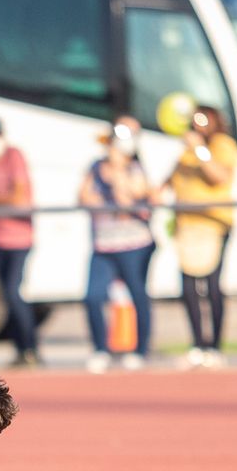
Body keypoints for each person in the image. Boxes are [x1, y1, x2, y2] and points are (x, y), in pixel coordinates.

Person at [162, 104, 237, 368]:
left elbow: (219, 176)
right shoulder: (186, 152)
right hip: (187, 225)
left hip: (213, 223)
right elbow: (170, 182)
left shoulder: (221, 146)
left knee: (212, 285)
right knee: (188, 287)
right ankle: (198, 344)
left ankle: (214, 346)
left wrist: (200, 149)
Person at [80, 115, 155, 373]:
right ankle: (101, 348)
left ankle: (140, 349)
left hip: (134, 244)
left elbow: (127, 201)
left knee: (138, 295)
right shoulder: (96, 167)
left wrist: (118, 171)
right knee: (92, 296)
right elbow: (84, 197)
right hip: (103, 245)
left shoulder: (135, 168)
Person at [0, 118, 40, 366]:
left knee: (14, 292)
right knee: (3, 297)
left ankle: (31, 347)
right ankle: (21, 349)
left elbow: (20, 197)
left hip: (20, 238)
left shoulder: (14, 156)